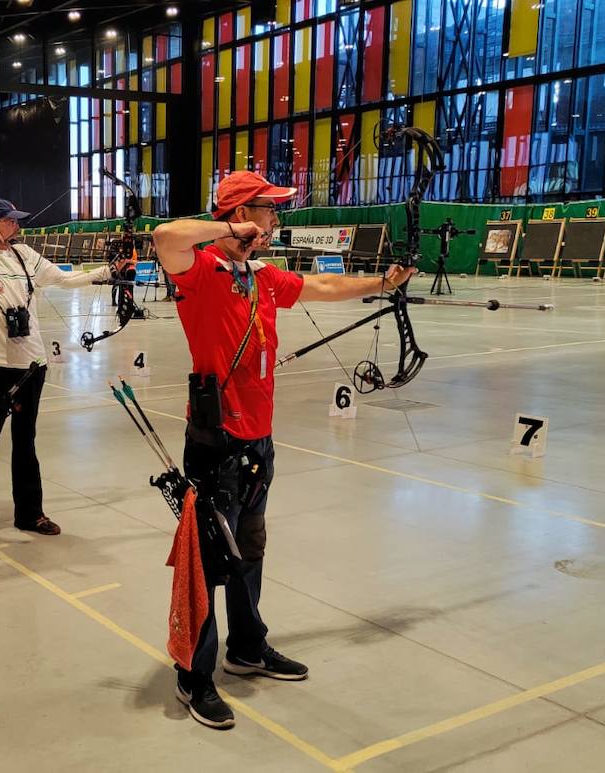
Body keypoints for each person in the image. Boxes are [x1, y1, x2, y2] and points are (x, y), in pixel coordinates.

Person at [150, 171, 418, 730]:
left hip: (259, 440)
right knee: (207, 562)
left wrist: (380, 284)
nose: (275, 221)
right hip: (215, 441)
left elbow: (319, 288)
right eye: (268, 211)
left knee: (249, 549)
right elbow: (165, 237)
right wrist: (228, 227)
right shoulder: (200, 272)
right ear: (242, 215)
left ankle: (247, 648)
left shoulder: (263, 275)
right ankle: (193, 676)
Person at [0, 198, 127, 554]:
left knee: (25, 445)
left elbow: (65, 279)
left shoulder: (25, 255)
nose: (17, 227)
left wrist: (108, 272)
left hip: (31, 366)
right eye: (10, 221)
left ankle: (30, 514)